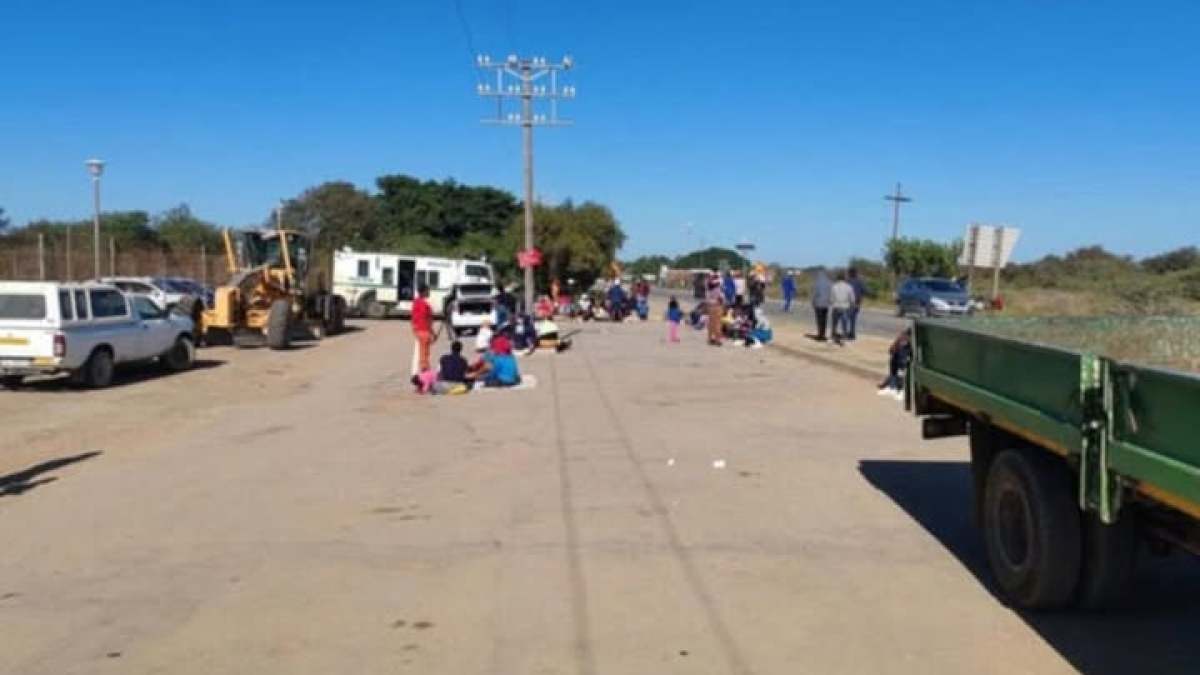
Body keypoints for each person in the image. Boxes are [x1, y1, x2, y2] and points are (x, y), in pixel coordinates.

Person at [878, 328, 912, 401]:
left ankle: (898, 389)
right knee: (894, 362)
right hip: (899, 361)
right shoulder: (902, 339)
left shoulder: (908, 341)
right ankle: (892, 387)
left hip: (904, 361)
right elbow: (891, 350)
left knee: (899, 368)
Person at [411, 284, 435, 373]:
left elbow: (415, 318)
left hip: (419, 329)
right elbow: (425, 318)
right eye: (428, 291)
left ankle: (424, 369)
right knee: (425, 352)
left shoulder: (416, 302)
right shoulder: (423, 304)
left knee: (424, 351)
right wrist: (432, 333)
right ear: (424, 292)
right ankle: (425, 370)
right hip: (424, 330)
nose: (429, 292)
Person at [830, 272, 856, 345]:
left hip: (836, 307)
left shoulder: (834, 286)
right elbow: (852, 299)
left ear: (837, 278)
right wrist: (852, 306)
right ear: (844, 279)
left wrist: (833, 304)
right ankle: (843, 338)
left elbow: (831, 299)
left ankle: (833, 337)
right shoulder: (849, 287)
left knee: (834, 323)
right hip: (845, 307)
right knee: (844, 324)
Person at [846, 267, 867, 341]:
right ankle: (852, 334)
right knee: (853, 319)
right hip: (857, 302)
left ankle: (847, 333)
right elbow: (864, 290)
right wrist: (861, 296)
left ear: (850, 273)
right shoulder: (860, 281)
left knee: (846, 318)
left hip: (848, 303)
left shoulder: (847, 281)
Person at [811, 270, 832, 341]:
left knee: (819, 319)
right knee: (824, 320)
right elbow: (831, 293)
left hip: (818, 303)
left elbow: (814, 293)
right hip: (826, 304)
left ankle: (820, 335)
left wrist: (813, 302)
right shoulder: (829, 282)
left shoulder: (817, 283)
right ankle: (823, 334)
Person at [706, 274, 725, 346]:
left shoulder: (708, 290)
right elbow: (722, 299)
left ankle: (710, 339)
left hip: (710, 307)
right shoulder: (719, 290)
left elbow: (707, 299)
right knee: (718, 324)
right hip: (718, 307)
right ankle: (718, 340)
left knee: (711, 323)